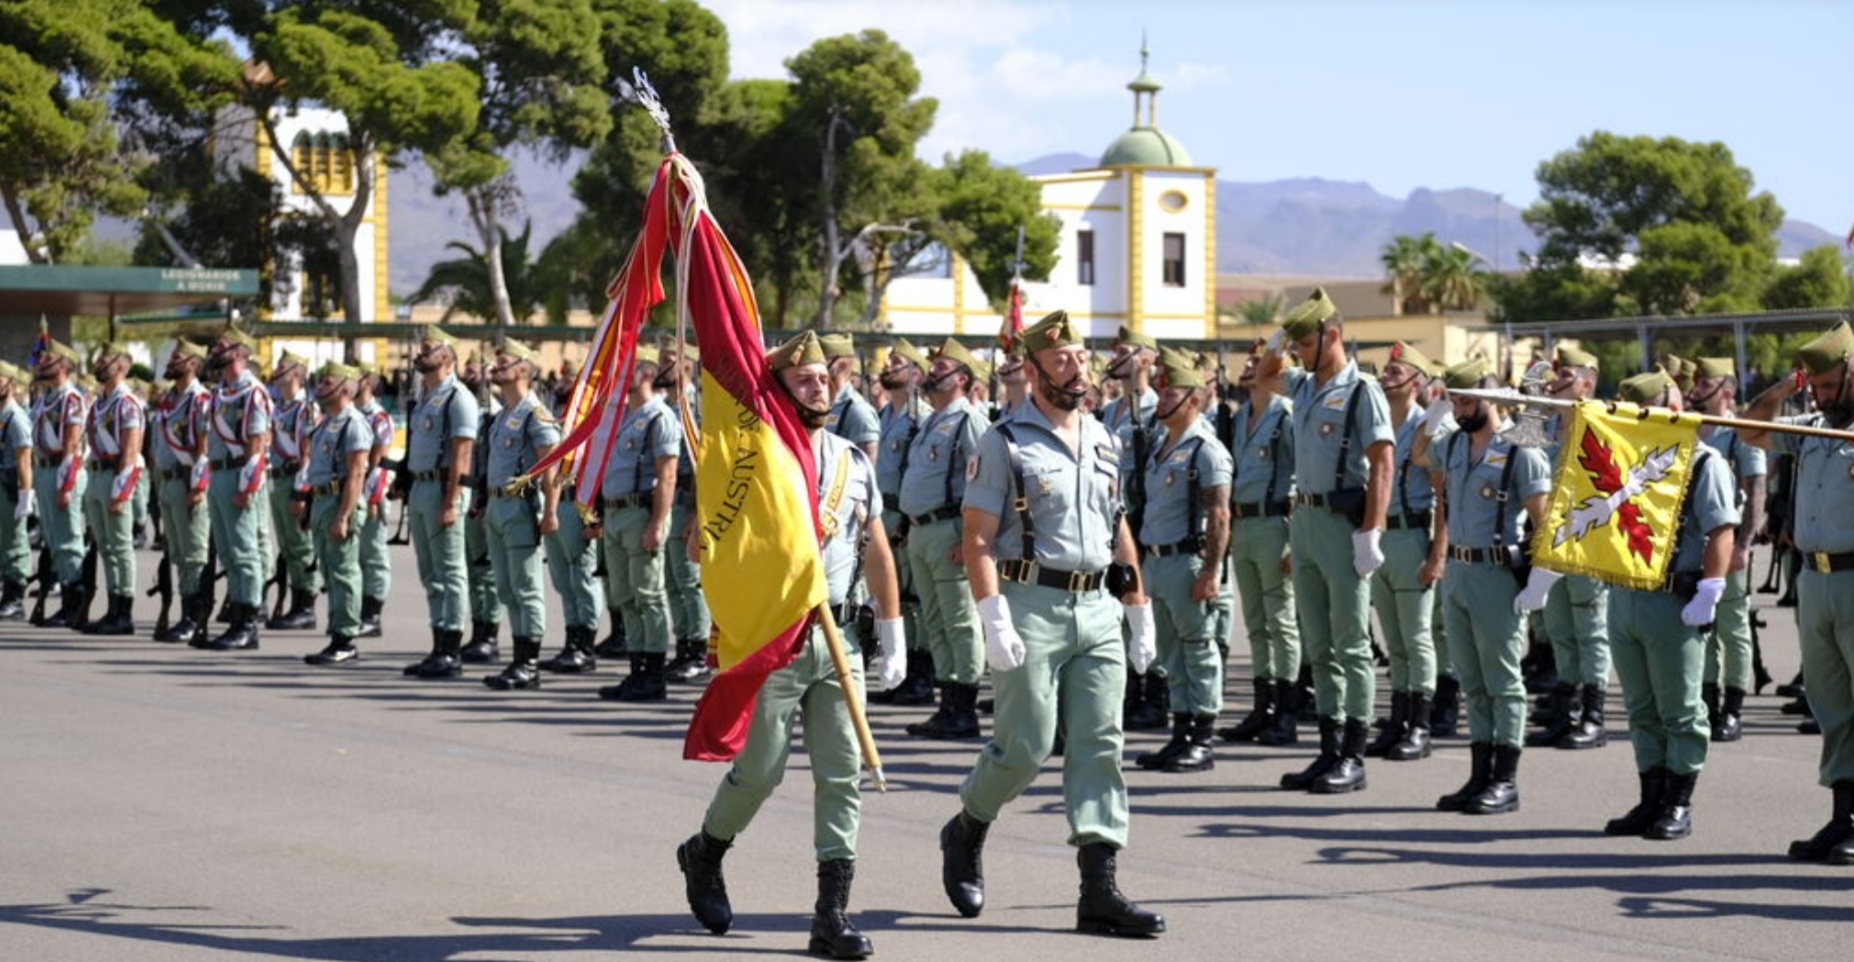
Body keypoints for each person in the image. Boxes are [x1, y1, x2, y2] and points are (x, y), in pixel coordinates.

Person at [676, 331, 905, 961]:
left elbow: (876, 549)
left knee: (842, 775)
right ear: (778, 390)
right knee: (761, 771)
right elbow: (700, 549)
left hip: (839, 639)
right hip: (774, 636)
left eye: (824, 379)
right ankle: (705, 851)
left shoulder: (852, 460)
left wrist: (892, 629)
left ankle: (831, 915)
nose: (819, 388)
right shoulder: (751, 462)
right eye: (804, 380)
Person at [938, 309, 1165, 939]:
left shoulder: (1104, 437)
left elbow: (1117, 526)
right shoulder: (1004, 441)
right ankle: (967, 827)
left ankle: (1099, 890)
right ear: (1034, 370)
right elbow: (978, 538)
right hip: (1030, 603)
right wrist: (993, 617)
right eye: (1062, 359)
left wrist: (1138, 606)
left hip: (1097, 607)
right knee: (1026, 746)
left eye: (1081, 357)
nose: (1077, 368)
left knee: (1101, 744)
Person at [1256, 289, 1394, 794]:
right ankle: (1329, 748)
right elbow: (1263, 374)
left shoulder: (1362, 390)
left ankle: (1353, 754)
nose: (1296, 352)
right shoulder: (1305, 384)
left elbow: (1383, 464)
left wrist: (1372, 530)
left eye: (1306, 342)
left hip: (1341, 524)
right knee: (1318, 645)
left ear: (1332, 335)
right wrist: (1283, 334)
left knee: (1351, 643)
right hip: (1306, 521)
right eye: (1295, 344)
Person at [1598, 369, 1737, 839]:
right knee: (1640, 708)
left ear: (1672, 411)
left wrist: (1711, 589)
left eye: (1643, 414)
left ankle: (1678, 802)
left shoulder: (1703, 462)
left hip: (1672, 599)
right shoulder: (1628, 461)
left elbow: (1721, 529)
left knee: (1680, 710)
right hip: (1626, 595)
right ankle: (1650, 798)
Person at [1740, 321, 1854, 863]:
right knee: (1832, 707)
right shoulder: (1812, 428)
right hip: (1814, 579)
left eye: (1831, 386)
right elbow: (1749, 430)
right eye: (1817, 387)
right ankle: (1844, 816)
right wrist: (1787, 388)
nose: (1823, 396)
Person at [1422, 357, 1551, 815]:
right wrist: (1434, 413)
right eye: (1454, 401)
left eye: (1466, 401)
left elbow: (1544, 521)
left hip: (1496, 574)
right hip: (1458, 572)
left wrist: (1541, 579)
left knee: (1502, 680)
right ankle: (1480, 774)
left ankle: (1505, 779)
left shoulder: (1521, 449)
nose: (1459, 410)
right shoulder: (1454, 444)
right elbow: (1419, 455)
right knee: (1471, 680)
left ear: (1492, 399)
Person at [1132, 358, 1232, 774]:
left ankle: (1202, 739)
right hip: (1157, 561)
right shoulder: (1160, 446)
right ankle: (1180, 734)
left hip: (1187, 561)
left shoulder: (1206, 449)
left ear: (1193, 399)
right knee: (1171, 655)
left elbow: (1220, 514)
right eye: (1160, 391)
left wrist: (1211, 572)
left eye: (1170, 393)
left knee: (1198, 651)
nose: (1161, 399)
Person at [897, 339, 988, 740]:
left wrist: (970, 539)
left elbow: (982, 484)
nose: (931, 372)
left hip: (950, 530)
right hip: (921, 531)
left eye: (941, 368)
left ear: (962, 379)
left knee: (960, 620)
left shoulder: (969, 421)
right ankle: (947, 702)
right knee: (935, 619)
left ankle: (964, 707)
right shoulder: (932, 420)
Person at [1216, 346, 1303, 746]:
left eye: (1258, 362)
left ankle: (1286, 710)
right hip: (1244, 523)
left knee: (1280, 621)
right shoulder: (1238, 419)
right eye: (1249, 362)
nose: (1250, 367)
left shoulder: (1287, 416)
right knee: (1255, 623)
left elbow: (1303, 474)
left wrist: (1295, 539)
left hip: (1274, 523)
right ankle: (1262, 707)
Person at [1530, 346, 1612, 750]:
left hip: (1586, 542)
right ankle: (1565, 712)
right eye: (1555, 376)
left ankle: (1594, 717)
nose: (1554, 383)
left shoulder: (1600, 426)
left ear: (1587, 385)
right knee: (1560, 627)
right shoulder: (1547, 427)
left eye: (1565, 377)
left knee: (1590, 630)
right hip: (1550, 544)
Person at [1365, 342, 1443, 761]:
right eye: (1386, 369)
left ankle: (1420, 724)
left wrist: (1437, 554)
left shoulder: (1427, 427)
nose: (1385, 376)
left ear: (1416, 382)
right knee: (1393, 639)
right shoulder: (1377, 422)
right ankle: (1398, 719)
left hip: (1412, 536)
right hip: (1381, 537)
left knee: (1416, 637)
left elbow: (1443, 496)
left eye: (1396, 371)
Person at [593, 345, 680, 701]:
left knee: (648, 595)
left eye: (625, 368)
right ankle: (637, 670)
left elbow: (668, 475)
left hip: (641, 513)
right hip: (616, 513)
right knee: (624, 596)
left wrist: (658, 523)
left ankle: (654, 675)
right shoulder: (623, 417)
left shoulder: (660, 417)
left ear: (645, 373)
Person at [1687, 357, 1766, 742]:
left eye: (1706, 384)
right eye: (1697, 383)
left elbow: (1757, 490)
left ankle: (1733, 709)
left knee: (1733, 630)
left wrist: (1744, 544)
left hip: (1728, 542)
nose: (1697, 390)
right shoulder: (1692, 429)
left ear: (1727, 392)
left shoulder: (1740, 433)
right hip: (1696, 545)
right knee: (1702, 627)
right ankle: (1709, 702)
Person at [398, 327, 480, 679]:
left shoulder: (457, 398)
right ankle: (437, 645)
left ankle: (451, 649)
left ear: (447, 356)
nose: (420, 354)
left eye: (428, 349)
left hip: (443, 490)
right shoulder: (426, 397)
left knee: (450, 571)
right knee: (431, 573)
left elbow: (462, 455)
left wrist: (451, 502)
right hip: (421, 487)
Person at [480, 338, 561, 690]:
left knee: (526, 587)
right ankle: (517, 658)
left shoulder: (535, 413)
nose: (496, 368)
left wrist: (551, 510)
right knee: (506, 587)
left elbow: (551, 466)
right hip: (497, 506)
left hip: (521, 506)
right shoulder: (503, 415)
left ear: (524, 369)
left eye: (504, 363)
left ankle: (529, 663)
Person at [198, 327, 272, 651]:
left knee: (244, 552)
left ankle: (248, 624)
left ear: (241, 352)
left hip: (239, 474)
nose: (217, 349)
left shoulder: (252, 393)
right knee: (228, 554)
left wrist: (247, 487)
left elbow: (256, 444)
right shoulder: (220, 393)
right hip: (218, 474)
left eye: (225, 344)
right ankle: (237, 616)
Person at [871, 339, 934, 705]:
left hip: (904, 517)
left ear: (915, 374)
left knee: (914, 597)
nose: (887, 366)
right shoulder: (884, 415)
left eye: (896, 362)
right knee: (894, 596)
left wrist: (908, 522)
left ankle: (921, 676)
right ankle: (902, 671)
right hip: (885, 514)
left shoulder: (920, 417)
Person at [298, 362, 375, 667]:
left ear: (345, 388)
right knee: (330, 572)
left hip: (339, 501)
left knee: (344, 571)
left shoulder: (353, 423)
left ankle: (345, 639)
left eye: (327, 382)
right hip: (322, 500)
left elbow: (356, 474)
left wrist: (343, 516)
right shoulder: (326, 423)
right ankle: (336, 632)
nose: (320, 387)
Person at [78, 343, 144, 636]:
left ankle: (124, 611)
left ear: (120, 366)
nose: (99, 364)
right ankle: (112, 607)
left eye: (105, 360)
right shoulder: (100, 403)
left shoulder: (126, 403)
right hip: (97, 476)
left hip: (115, 476)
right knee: (105, 547)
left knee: (120, 546)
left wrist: (121, 491)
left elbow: (130, 450)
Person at [149, 342, 212, 644]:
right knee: (177, 553)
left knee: (193, 553)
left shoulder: (199, 400)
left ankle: (194, 617)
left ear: (193, 364)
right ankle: (185, 612)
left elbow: (203, 448)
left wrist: (198, 487)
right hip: (167, 482)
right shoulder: (170, 399)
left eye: (178, 358)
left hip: (187, 482)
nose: (171, 362)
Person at [656, 343, 711, 680]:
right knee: (673, 581)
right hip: (671, 500)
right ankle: (684, 645)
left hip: (690, 502)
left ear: (688, 365)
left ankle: (700, 650)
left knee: (690, 582)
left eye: (669, 360)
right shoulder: (668, 406)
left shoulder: (697, 408)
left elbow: (707, 464)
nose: (661, 365)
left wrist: (698, 512)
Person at [29, 339, 88, 629]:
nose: (41, 363)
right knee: (54, 539)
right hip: (44, 469)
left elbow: (72, 446)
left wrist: (66, 485)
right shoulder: (46, 397)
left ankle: (73, 603)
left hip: (62, 471)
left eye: (48, 359)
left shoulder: (71, 399)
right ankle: (67, 595)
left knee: (68, 540)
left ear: (63, 365)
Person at [265, 350, 321, 632]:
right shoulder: (279, 407)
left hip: (295, 479)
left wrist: (301, 491)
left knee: (301, 545)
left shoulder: (305, 409)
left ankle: (306, 605)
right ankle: (295, 603)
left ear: (298, 373)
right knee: (287, 545)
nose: (277, 371)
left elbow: (307, 453)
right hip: (278, 479)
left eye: (283, 367)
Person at [353, 362, 394, 638]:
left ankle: (372, 614)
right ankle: (356, 609)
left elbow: (379, 461)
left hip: (369, 492)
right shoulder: (350, 414)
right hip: (350, 490)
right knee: (354, 555)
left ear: (367, 381)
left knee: (373, 554)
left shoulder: (378, 417)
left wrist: (372, 498)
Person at [0, 361, 32, 619]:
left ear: (10, 383)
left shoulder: (16, 417)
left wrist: (25, 496)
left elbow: (24, 460)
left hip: (11, 485)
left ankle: (15, 597)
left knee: (14, 541)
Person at [821, 333, 879, 459]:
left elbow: (866, 464)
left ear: (842, 366)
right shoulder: (823, 404)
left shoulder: (858, 410)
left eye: (822, 361)